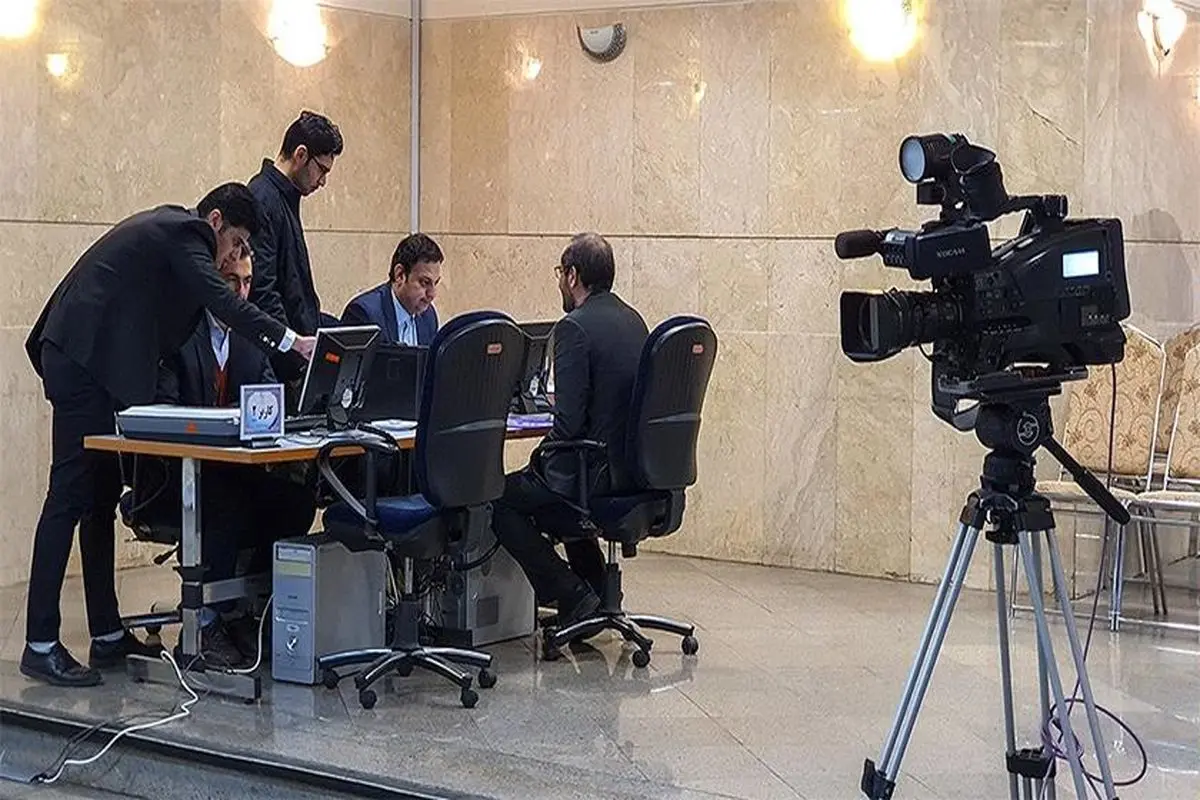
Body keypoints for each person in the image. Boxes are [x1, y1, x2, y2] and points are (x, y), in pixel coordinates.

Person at [22, 183, 317, 688]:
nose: (236, 255)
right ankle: (40, 644)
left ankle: (108, 634)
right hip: (79, 359)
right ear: (216, 221)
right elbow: (222, 302)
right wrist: (293, 341)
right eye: (237, 242)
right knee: (67, 497)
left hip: (97, 364)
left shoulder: (174, 235)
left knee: (98, 500)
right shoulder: (186, 233)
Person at [150, 249, 317, 667]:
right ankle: (204, 621)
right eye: (231, 282)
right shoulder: (178, 336)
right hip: (180, 474)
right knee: (227, 498)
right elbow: (164, 409)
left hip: (240, 469)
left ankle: (243, 606)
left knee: (296, 499)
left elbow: (269, 399)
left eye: (247, 282)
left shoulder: (250, 338)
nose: (241, 292)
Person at [491, 233, 649, 628]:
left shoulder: (573, 328)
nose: (561, 281)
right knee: (560, 484)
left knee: (499, 498)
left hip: (594, 474)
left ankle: (570, 593)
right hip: (633, 472)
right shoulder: (635, 322)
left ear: (573, 275)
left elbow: (568, 425)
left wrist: (538, 458)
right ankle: (596, 591)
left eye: (561, 273)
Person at [247, 110, 344, 389]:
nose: (323, 181)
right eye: (322, 170)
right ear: (301, 155)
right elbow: (263, 291)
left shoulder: (284, 198)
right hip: (281, 366)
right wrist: (295, 359)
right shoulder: (263, 199)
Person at [341, 233, 442, 346]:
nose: (432, 294)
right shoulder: (363, 315)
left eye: (435, 283)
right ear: (400, 275)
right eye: (425, 282)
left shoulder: (428, 317)